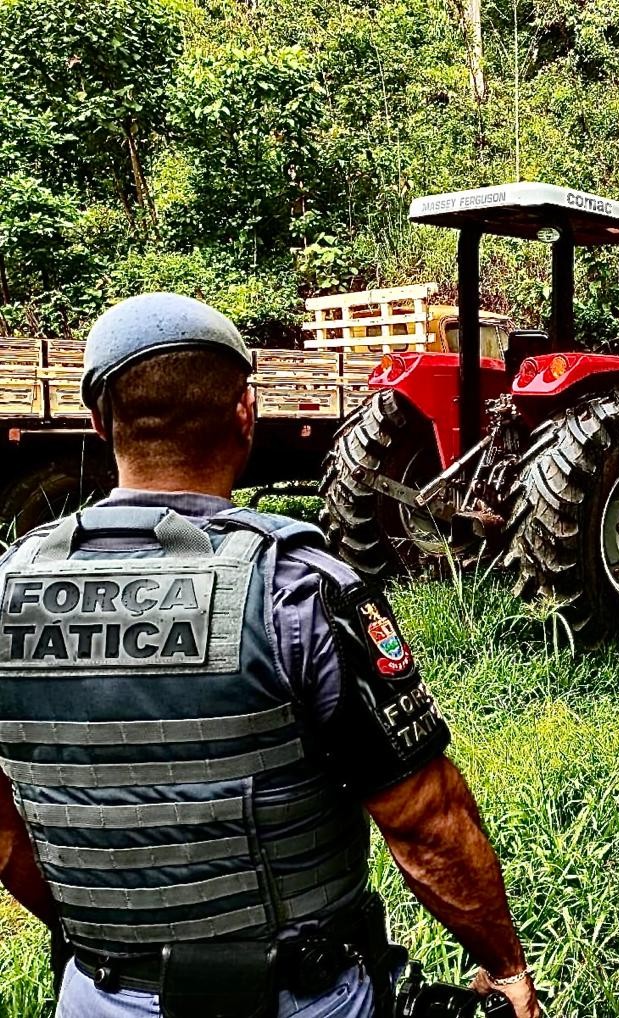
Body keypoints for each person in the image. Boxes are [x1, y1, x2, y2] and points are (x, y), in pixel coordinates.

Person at [0, 293, 540, 1018]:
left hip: (98, 997)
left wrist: (114, 943)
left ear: (99, 423)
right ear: (246, 415)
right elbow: (423, 821)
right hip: (296, 1000)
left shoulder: (8, 588)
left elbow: (6, 838)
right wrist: (503, 966)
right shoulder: (301, 590)